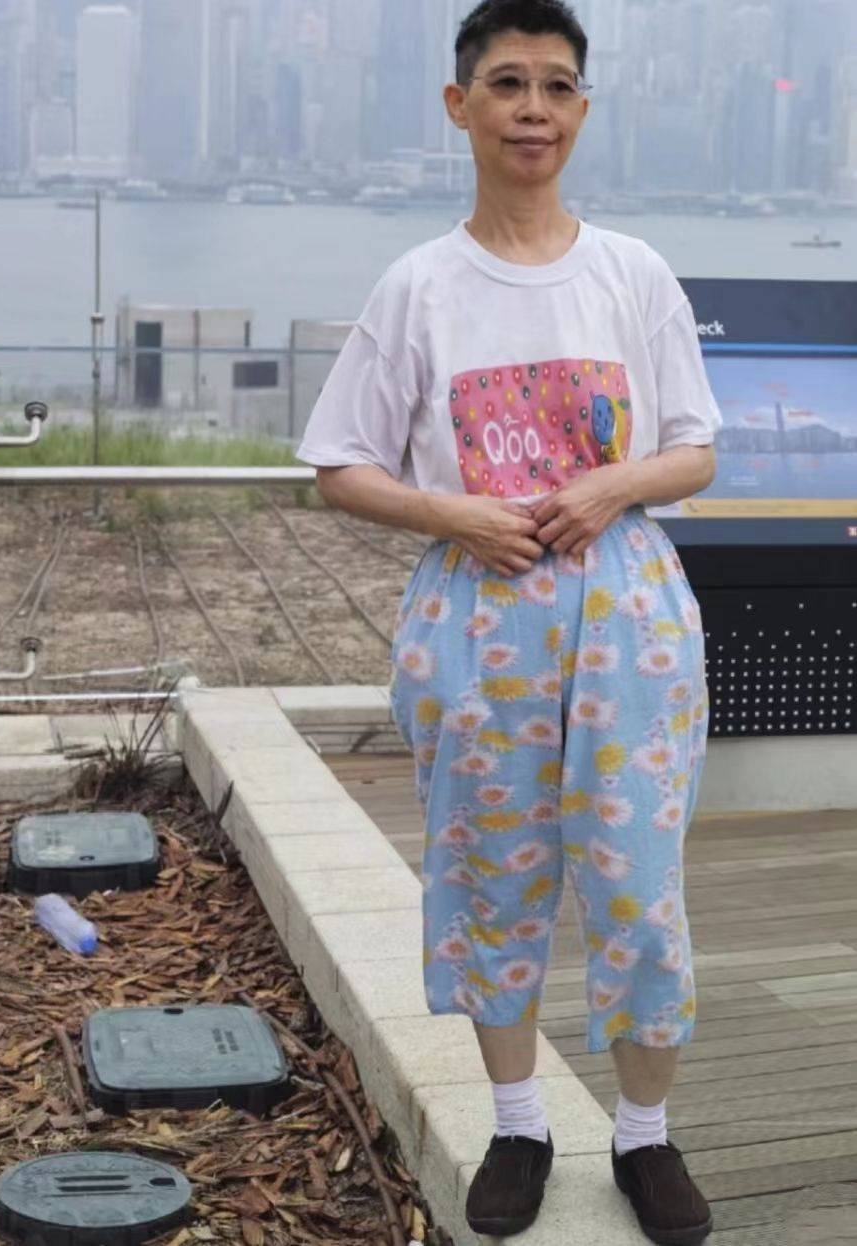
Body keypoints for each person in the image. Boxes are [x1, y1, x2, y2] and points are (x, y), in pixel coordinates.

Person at [296, 2, 722, 1242]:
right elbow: (337, 463)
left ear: (580, 109)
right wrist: (451, 511)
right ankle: (521, 1121)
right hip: (478, 620)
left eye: (556, 86)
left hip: (626, 617)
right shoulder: (419, 286)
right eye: (507, 84)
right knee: (491, 873)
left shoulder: (630, 273)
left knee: (638, 880)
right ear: (460, 105)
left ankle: (643, 1135)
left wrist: (611, 485)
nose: (533, 109)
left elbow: (694, 448)